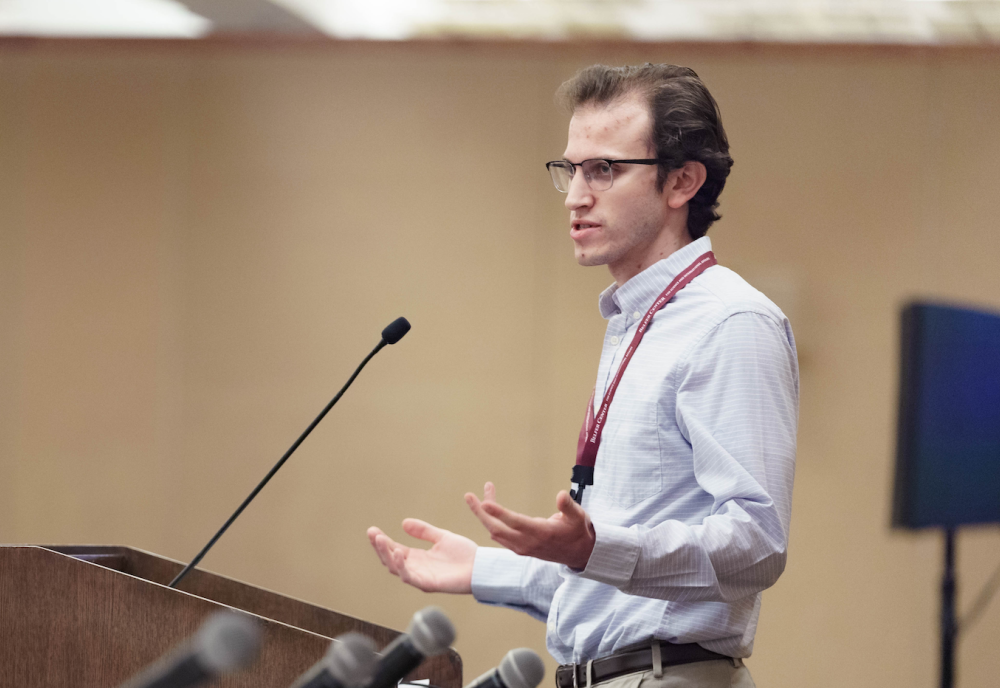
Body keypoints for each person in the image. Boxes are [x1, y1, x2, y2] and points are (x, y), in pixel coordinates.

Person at [368, 63, 798, 688]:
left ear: (682, 182)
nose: (574, 196)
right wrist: (484, 569)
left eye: (604, 169)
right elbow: (617, 582)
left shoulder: (731, 322)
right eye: (569, 170)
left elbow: (756, 543)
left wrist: (594, 549)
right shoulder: (635, 322)